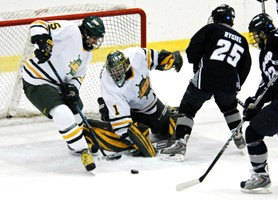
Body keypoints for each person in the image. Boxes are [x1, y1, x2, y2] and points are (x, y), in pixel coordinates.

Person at [159, 4, 252, 161]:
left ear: (217, 17)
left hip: (207, 76)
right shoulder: (242, 40)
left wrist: (197, 64)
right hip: (230, 81)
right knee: (229, 107)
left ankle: (181, 142)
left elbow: (191, 52)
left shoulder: (211, 29)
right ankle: (238, 135)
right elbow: (246, 66)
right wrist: (236, 85)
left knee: (187, 108)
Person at [20, 16, 105, 171]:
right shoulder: (70, 30)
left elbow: (78, 76)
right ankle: (81, 149)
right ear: (85, 32)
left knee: (77, 111)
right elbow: (38, 24)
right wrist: (44, 41)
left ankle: (75, 142)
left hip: (58, 84)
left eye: (97, 39)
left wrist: (73, 89)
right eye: (93, 37)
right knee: (62, 113)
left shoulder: (87, 55)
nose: (95, 42)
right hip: (37, 80)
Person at [83, 47, 183, 158]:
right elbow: (122, 127)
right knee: (120, 137)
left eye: (119, 70)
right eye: (113, 71)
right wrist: (134, 141)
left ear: (126, 65)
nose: (116, 74)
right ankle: (99, 118)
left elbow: (158, 58)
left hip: (149, 104)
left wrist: (171, 58)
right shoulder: (109, 85)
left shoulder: (136, 55)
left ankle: (165, 111)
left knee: (168, 131)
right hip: (128, 109)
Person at [240, 13, 278, 194]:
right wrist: (255, 103)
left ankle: (261, 177)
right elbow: (267, 83)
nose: (255, 37)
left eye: (256, 33)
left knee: (252, 133)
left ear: (264, 30)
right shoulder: (264, 55)